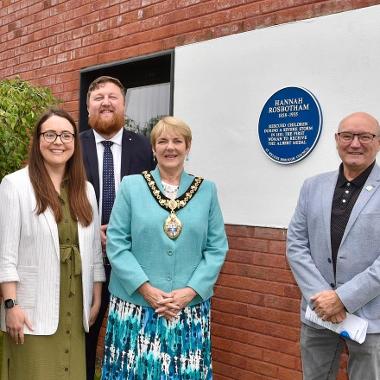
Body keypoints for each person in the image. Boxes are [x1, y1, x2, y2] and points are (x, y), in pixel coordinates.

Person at [101, 116, 228, 379]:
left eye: (177, 141)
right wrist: (146, 290)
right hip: (135, 306)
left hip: (187, 309)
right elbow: (117, 243)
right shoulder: (131, 186)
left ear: (188, 147)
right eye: (162, 141)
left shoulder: (207, 190)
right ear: (153, 148)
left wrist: (190, 292)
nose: (170, 147)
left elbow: (216, 248)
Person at [0, 108, 105, 379]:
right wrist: (11, 305)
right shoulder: (15, 185)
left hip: (74, 304)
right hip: (31, 310)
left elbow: (93, 249)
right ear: (37, 140)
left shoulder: (86, 189)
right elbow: (5, 253)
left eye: (66, 135)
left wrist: (96, 294)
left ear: (74, 143)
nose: (58, 141)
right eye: (50, 134)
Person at [287, 112, 380, 379]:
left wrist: (342, 298)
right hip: (318, 313)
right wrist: (323, 299)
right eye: (347, 136)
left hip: (370, 316)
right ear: (337, 140)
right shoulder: (312, 186)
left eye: (365, 136)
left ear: (378, 142)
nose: (355, 143)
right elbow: (296, 244)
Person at [80, 75, 155, 380]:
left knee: (133, 341)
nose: (106, 103)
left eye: (113, 97)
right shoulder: (72, 145)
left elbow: (155, 200)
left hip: (133, 265)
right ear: (88, 108)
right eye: (98, 98)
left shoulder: (144, 148)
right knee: (84, 334)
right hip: (86, 262)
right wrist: (89, 230)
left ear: (124, 105)